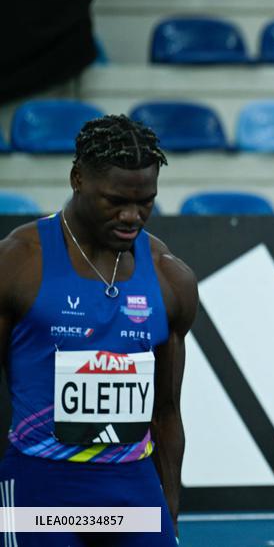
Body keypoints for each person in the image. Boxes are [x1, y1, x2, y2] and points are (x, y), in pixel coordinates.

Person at [0, 115, 198, 545]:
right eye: (115, 201)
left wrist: (171, 511)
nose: (132, 216)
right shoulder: (17, 263)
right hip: (41, 485)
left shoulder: (170, 278)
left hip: (132, 487)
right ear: (77, 179)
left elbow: (165, 412)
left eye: (146, 201)